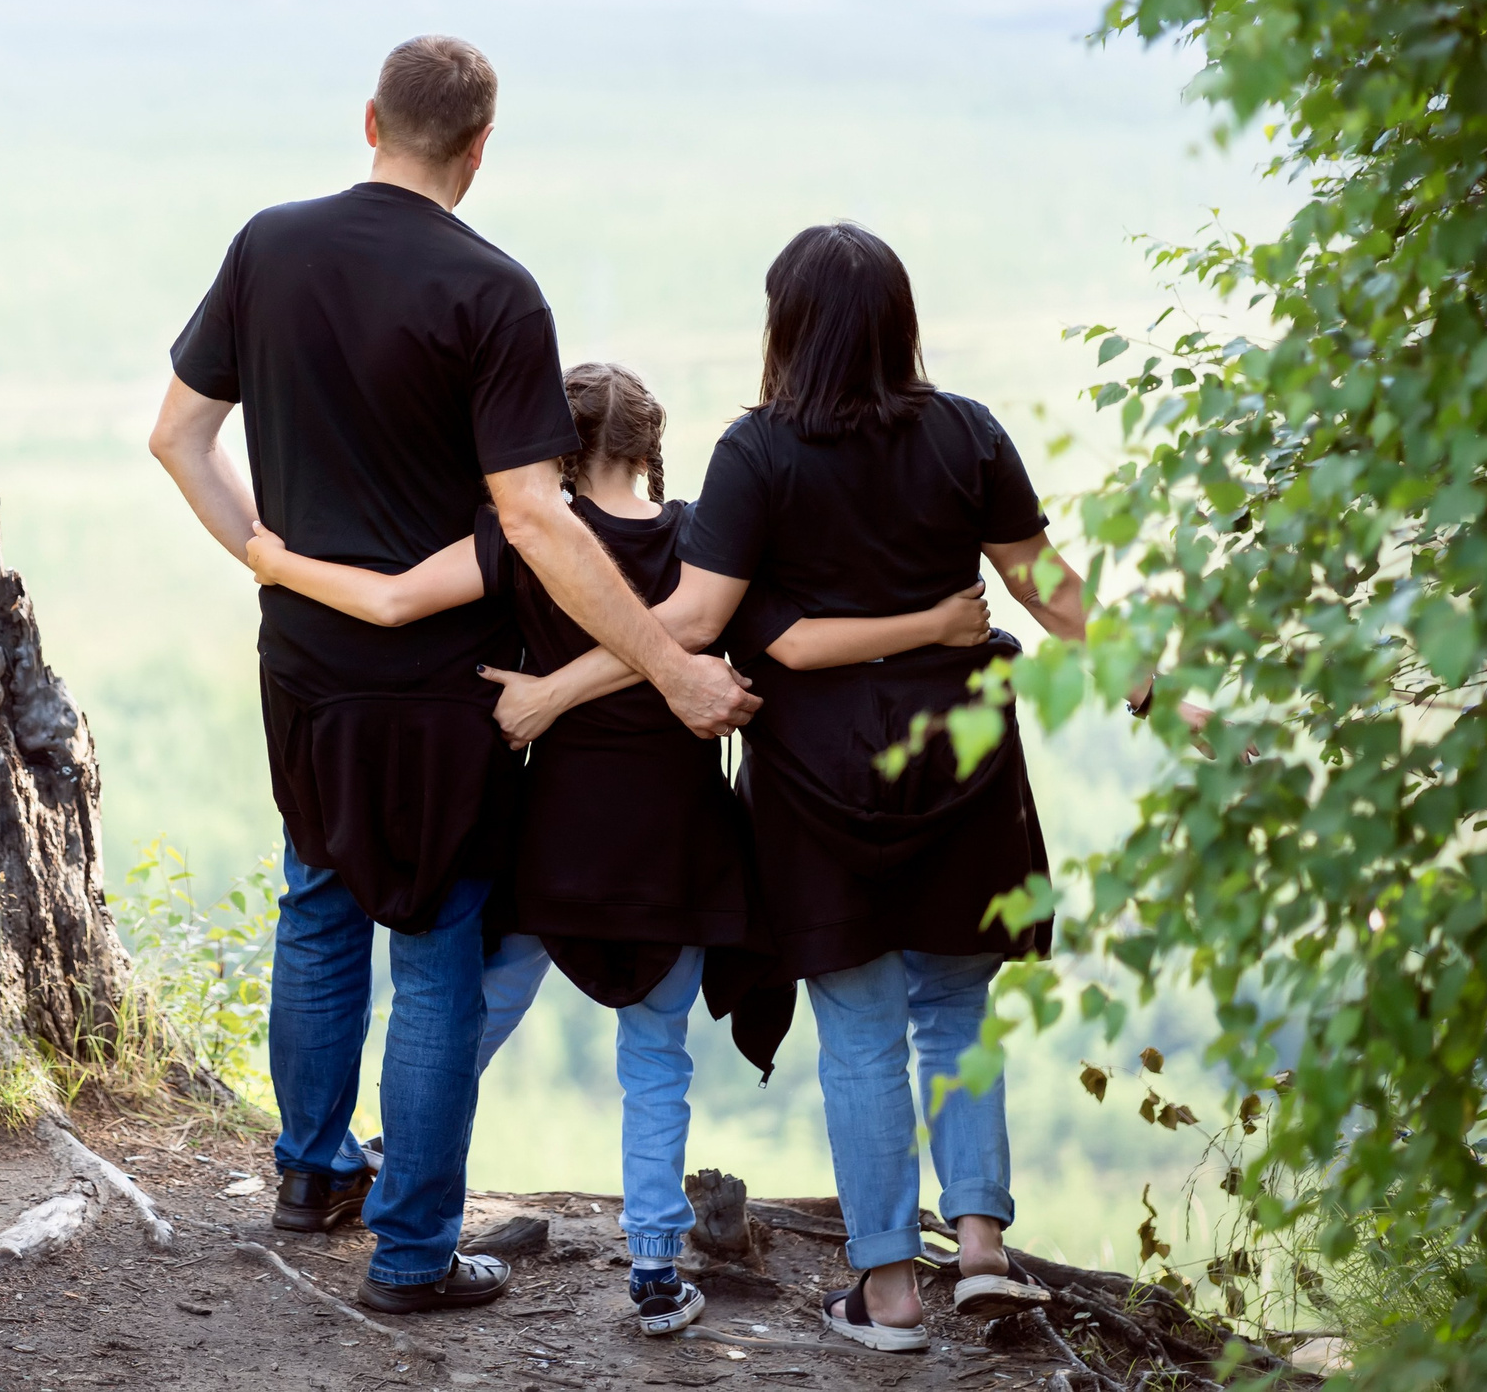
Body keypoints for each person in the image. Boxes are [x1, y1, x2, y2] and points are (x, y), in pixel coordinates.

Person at [149, 36, 759, 1315]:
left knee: (317, 904)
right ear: (480, 150)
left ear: (368, 118)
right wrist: (671, 670)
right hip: (446, 684)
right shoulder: (496, 293)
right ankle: (412, 1252)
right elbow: (537, 520)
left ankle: (311, 1171)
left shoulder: (269, 244)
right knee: (430, 954)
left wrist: (266, 554)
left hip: (304, 659)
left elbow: (176, 436)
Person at [248, 359, 990, 1334]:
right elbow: (793, 632)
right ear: (651, 442)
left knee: (465, 1018)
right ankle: (651, 1268)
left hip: (550, 839)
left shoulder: (524, 538)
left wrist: (275, 559)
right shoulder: (703, 542)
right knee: (655, 1058)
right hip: (676, 849)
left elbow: (392, 599)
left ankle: (398, 1168)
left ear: (553, 450)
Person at [490, 223, 1076, 1351]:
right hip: (962, 755)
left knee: (859, 1031)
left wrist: (553, 691)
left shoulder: (758, 452)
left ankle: (891, 1292)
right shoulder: (968, 431)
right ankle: (985, 1248)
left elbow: (697, 624)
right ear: (899, 320)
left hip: (821, 773)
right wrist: (1141, 662)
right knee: (956, 1009)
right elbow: (1037, 578)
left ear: (786, 328)